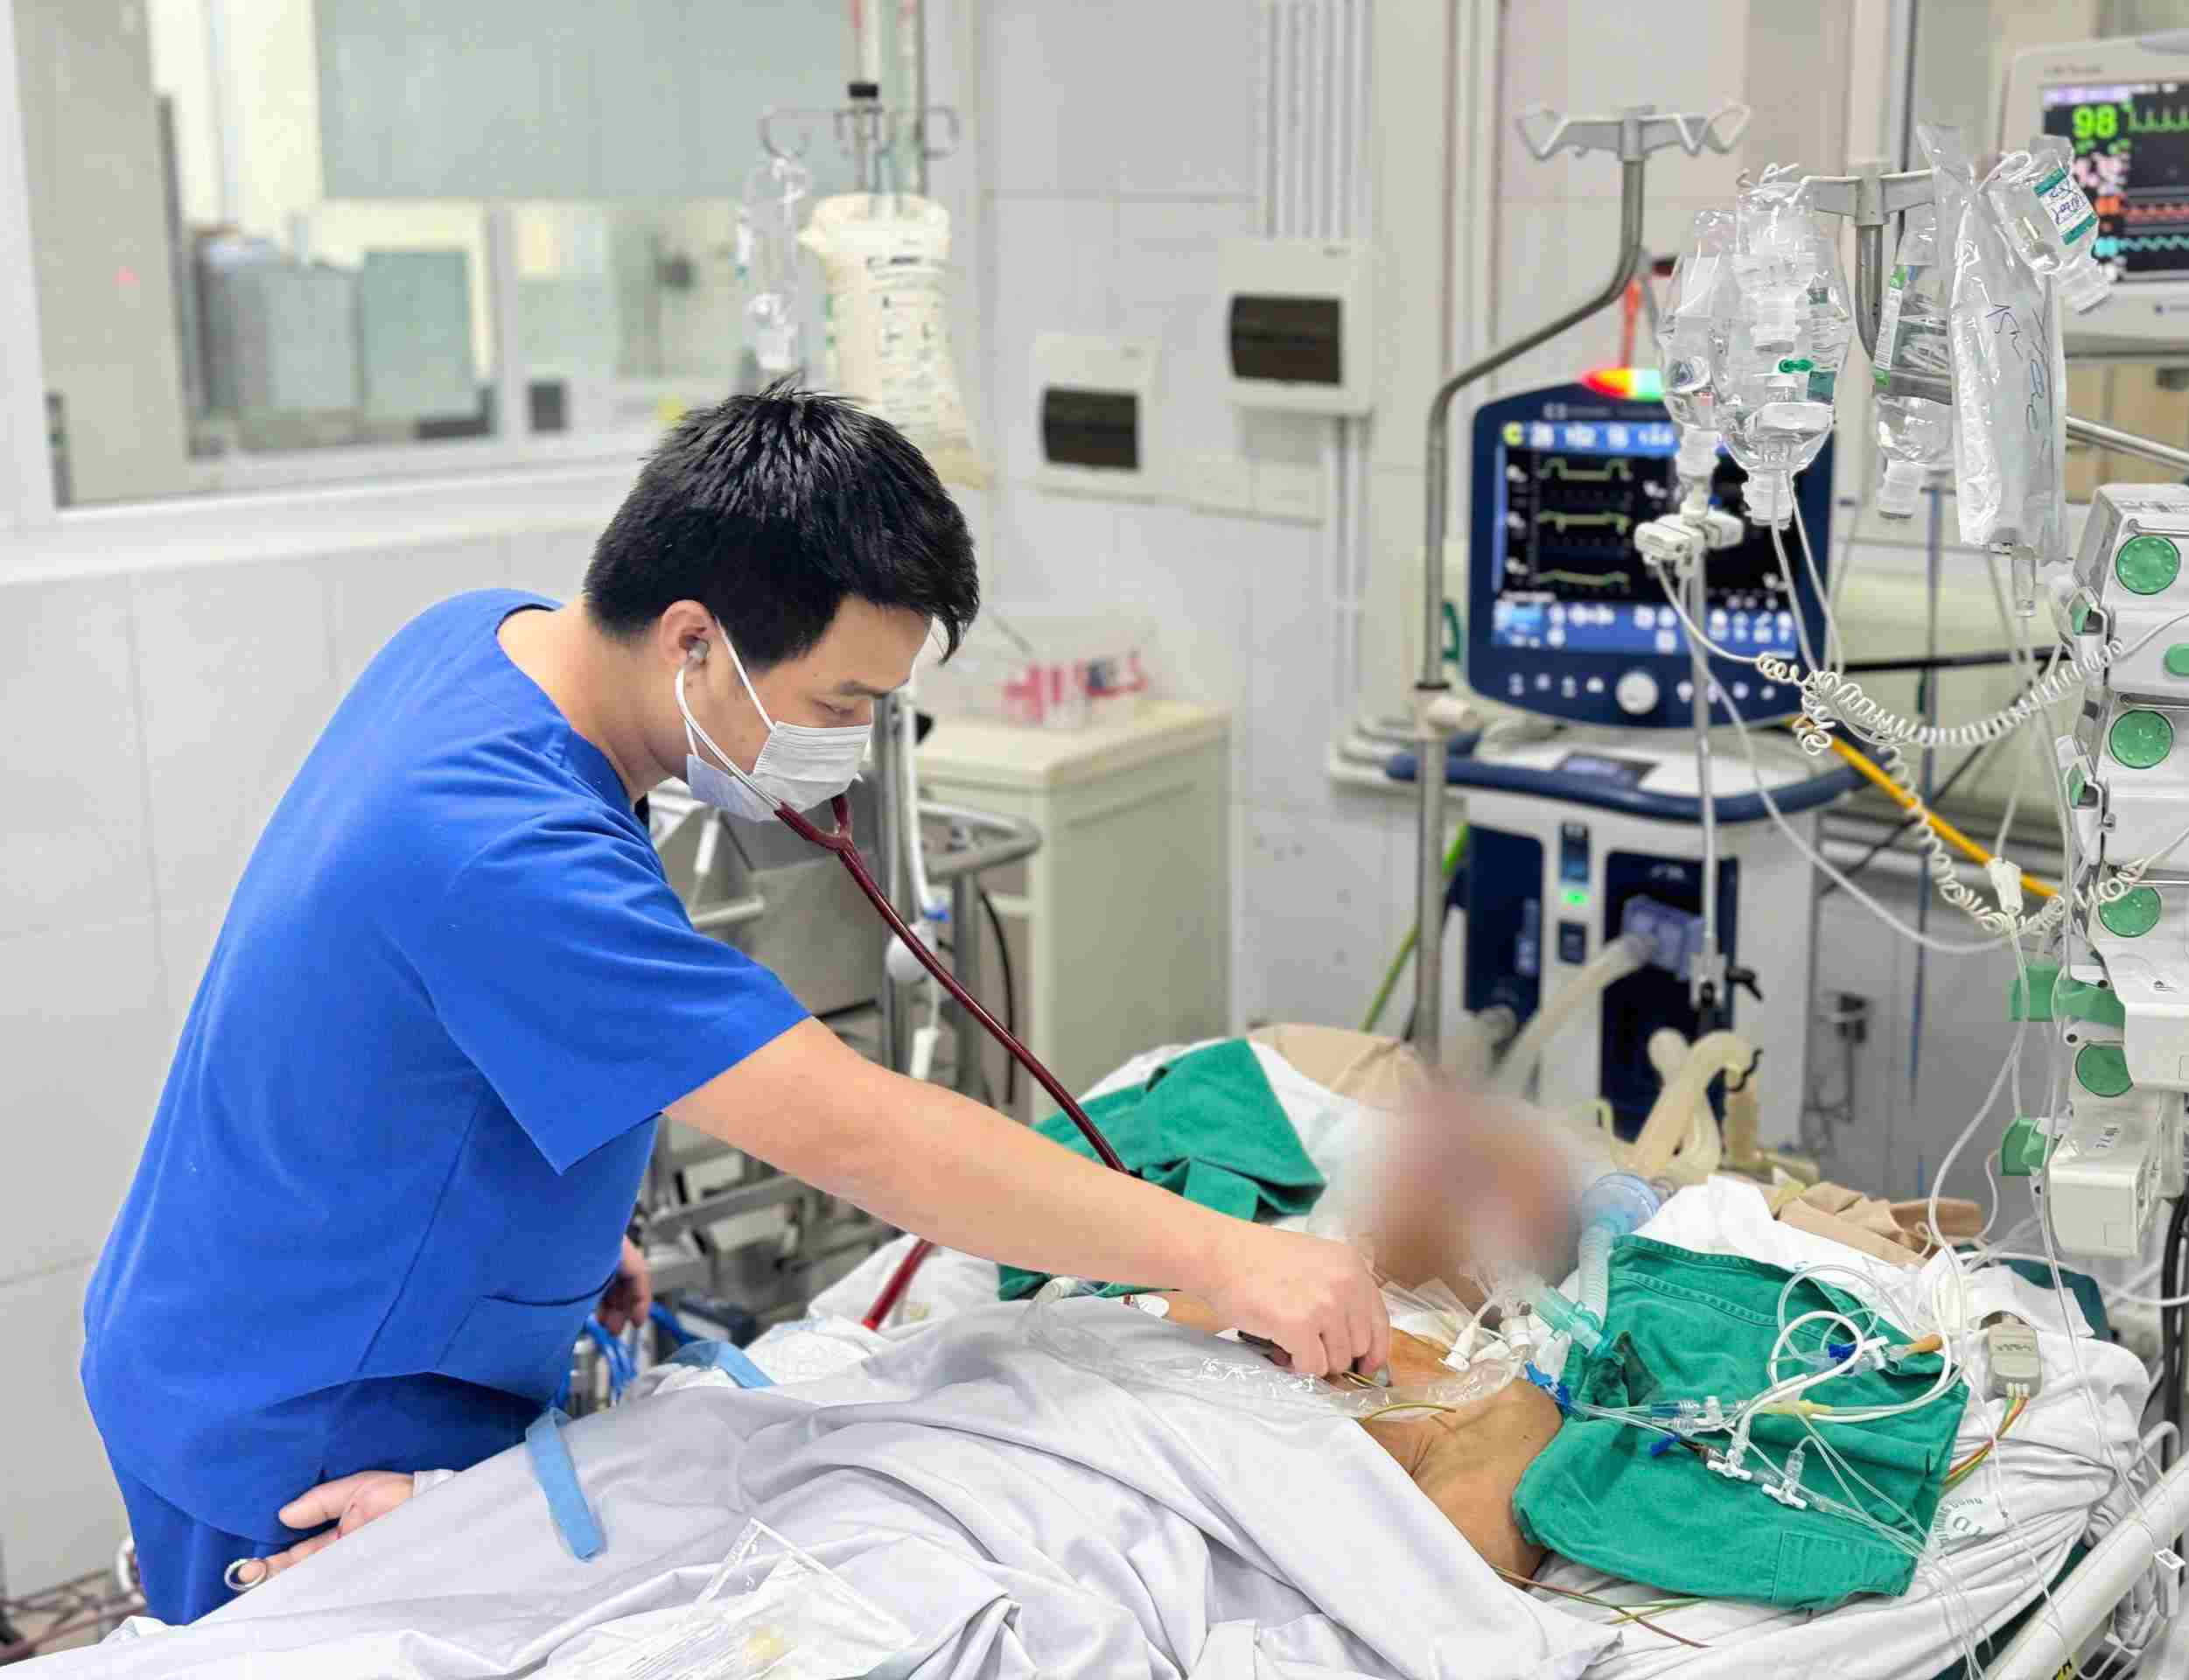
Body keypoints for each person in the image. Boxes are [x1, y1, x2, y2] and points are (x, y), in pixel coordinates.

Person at [83, 388, 1390, 1625]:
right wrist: (1226, 1255)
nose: (850, 745)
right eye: (839, 705)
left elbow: (430, 1021)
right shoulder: (502, 848)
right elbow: (864, 1137)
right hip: (297, 1420)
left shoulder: (488, 642)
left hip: (284, 1311)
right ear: (694, 639)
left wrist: (559, 1230)